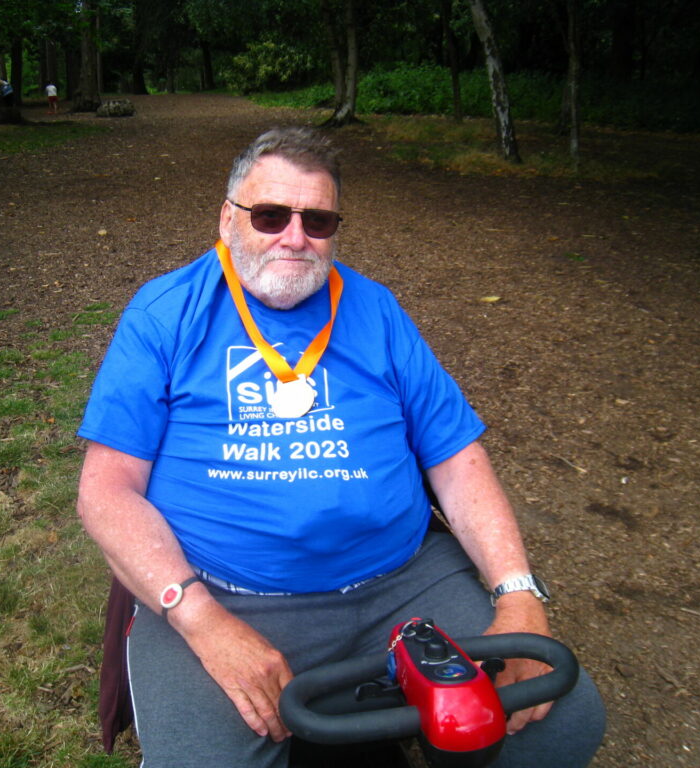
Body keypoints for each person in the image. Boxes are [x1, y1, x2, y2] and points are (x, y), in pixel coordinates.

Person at [76, 127, 605, 768]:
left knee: (563, 724)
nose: (294, 237)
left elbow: (456, 458)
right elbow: (106, 492)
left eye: (317, 220)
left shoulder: (376, 310)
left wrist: (516, 592)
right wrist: (202, 621)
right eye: (270, 215)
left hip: (402, 583)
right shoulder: (165, 314)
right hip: (229, 590)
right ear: (227, 218)